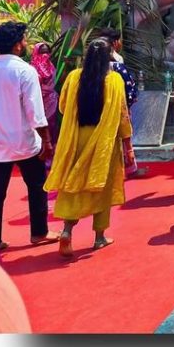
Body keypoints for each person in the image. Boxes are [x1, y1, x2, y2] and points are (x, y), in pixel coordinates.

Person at [44, 38, 132, 257]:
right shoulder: (114, 80)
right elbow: (122, 114)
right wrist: (128, 144)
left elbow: (63, 107)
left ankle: (66, 231)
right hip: (103, 141)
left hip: (76, 138)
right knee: (100, 186)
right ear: (108, 56)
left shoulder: (73, 78)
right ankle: (99, 237)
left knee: (74, 185)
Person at [0, 22, 56, 251]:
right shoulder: (25, 71)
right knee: (37, 186)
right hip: (25, 141)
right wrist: (47, 141)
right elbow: (36, 112)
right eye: (24, 39)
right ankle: (39, 232)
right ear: (17, 45)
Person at [98, 27, 143, 177]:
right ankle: (127, 167)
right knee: (123, 137)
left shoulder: (90, 61)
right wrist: (128, 102)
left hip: (99, 105)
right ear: (115, 42)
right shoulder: (117, 62)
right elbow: (127, 87)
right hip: (118, 104)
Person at [28, 41, 59, 143]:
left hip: (51, 99)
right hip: (38, 98)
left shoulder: (51, 65)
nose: (45, 55)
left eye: (47, 52)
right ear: (36, 52)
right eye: (42, 52)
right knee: (39, 123)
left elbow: (55, 80)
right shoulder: (31, 68)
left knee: (51, 123)